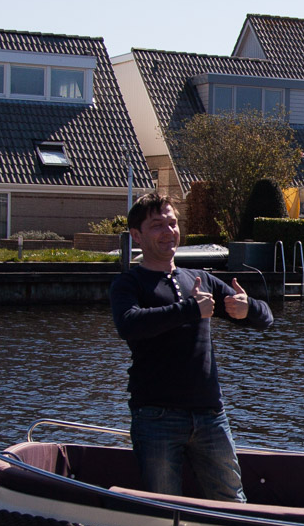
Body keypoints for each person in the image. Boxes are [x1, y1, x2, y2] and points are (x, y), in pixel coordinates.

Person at [110, 193, 273, 500]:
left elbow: (266, 318)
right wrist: (190, 309)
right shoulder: (129, 284)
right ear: (136, 235)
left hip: (210, 414)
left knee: (232, 501)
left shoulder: (200, 280)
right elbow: (129, 324)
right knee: (163, 505)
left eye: (172, 223)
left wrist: (247, 307)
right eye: (157, 225)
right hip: (156, 416)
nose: (168, 231)